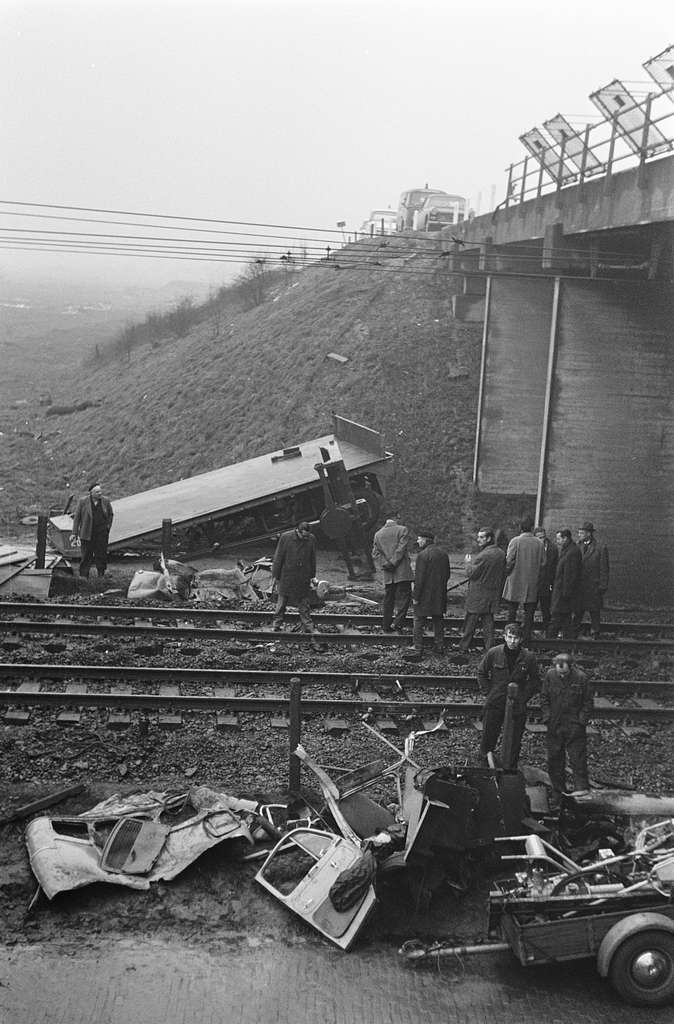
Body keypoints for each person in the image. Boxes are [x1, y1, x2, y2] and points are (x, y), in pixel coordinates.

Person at [477, 622, 540, 767]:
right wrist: (489, 692)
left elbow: (535, 680)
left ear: (521, 639)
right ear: (504, 637)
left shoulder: (528, 657)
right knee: (489, 735)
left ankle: (510, 769)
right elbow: (481, 672)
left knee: (514, 739)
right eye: (510, 637)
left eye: (516, 638)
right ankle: (484, 766)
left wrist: (523, 697)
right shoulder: (494, 653)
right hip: (495, 702)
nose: (512, 641)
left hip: (517, 704)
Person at [540, 652, 593, 807]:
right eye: (558, 671)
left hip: (574, 726)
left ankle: (581, 795)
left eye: (564, 671)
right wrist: (547, 717)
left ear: (571, 667)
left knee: (578, 760)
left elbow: (588, 703)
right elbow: (544, 698)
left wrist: (581, 722)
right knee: (555, 760)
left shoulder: (581, 678)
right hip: (555, 725)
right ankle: (559, 795)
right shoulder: (550, 675)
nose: (561, 674)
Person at [271, 521, 321, 651]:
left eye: (307, 536)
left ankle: (309, 628)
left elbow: (312, 558)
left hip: (302, 578)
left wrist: (312, 576)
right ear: (297, 531)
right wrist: (276, 576)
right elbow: (278, 557)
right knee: (281, 604)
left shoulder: (311, 539)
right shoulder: (286, 537)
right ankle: (276, 626)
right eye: (303, 536)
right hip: (287, 576)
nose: (305, 538)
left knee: (304, 606)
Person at [404, 528, 450, 661]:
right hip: (439, 594)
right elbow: (447, 575)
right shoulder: (443, 554)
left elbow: (419, 579)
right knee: (438, 620)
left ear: (424, 540)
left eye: (419, 539)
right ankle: (439, 646)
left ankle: (418, 647)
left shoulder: (423, 555)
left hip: (424, 595)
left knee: (418, 620)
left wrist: (416, 597)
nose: (418, 541)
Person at [459, 527, 506, 653]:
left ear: (489, 538)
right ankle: (490, 649)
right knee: (488, 624)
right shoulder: (501, 553)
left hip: (478, 596)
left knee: (470, 624)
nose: (478, 540)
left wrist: (468, 563)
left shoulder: (484, 555)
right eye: (478, 537)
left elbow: (472, 574)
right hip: (492, 595)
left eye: (481, 537)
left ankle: (463, 648)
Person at [502, 516, 544, 644]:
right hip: (532, 582)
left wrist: (508, 572)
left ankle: (510, 636)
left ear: (520, 528)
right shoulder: (539, 543)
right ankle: (526, 639)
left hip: (515, 580)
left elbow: (508, 561)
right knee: (529, 613)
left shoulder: (515, 541)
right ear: (532, 528)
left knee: (512, 611)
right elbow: (543, 562)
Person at [372, 510, 414, 633]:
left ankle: (386, 625)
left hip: (388, 573)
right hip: (402, 573)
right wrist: (393, 562)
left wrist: (386, 564)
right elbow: (401, 549)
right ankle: (398, 624)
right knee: (404, 598)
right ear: (396, 517)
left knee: (389, 599)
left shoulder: (378, 534)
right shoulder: (403, 530)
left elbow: (375, 553)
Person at [573, 522, 610, 639]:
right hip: (579, 586)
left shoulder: (600, 548)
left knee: (594, 611)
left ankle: (595, 632)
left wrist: (603, 585)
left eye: (582, 533)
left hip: (594, 586)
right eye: (579, 533)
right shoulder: (577, 546)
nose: (579, 535)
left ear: (589, 534)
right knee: (578, 610)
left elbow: (604, 568)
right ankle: (574, 632)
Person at [72, 483, 114, 578]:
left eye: (100, 491)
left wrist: (108, 527)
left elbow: (111, 515)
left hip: (101, 533)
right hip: (87, 533)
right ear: (91, 493)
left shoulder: (105, 501)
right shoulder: (83, 501)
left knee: (101, 555)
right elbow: (77, 518)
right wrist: (74, 533)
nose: (100, 493)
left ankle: (101, 574)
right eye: (97, 492)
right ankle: (83, 575)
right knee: (86, 555)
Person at [547, 529, 582, 639]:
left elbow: (570, 575)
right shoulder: (568, 549)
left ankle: (549, 642)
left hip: (563, 593)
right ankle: (567, 642)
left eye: (558, 538)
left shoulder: (572, 552)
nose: (557, 541)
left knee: (557, 617)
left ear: (565, 538)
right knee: (565, 619)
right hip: (562, 592)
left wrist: (566, 594)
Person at [534, 526, 558, 634]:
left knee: (546, 609)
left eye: (543, 537)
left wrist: (552, 583)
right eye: (539, 538)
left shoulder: (552, 548)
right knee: (530, 609)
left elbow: (555, 566)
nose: (541, 540)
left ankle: (546, 631)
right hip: (534, 584)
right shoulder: (533, 548)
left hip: (547, 583)